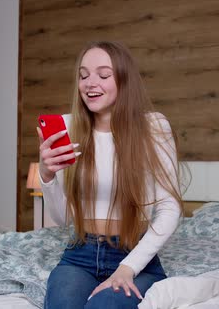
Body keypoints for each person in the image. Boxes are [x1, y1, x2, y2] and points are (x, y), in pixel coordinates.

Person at [36, 41, 182, 309]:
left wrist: (128, 268)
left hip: (133, 253)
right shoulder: (69, 128)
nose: (90, 83)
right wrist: (46, 175)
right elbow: (61, 219)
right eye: (83, 75)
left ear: (124, 80)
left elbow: (170, 207)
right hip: (80, 253)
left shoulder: (153, 126)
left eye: (103, 75)